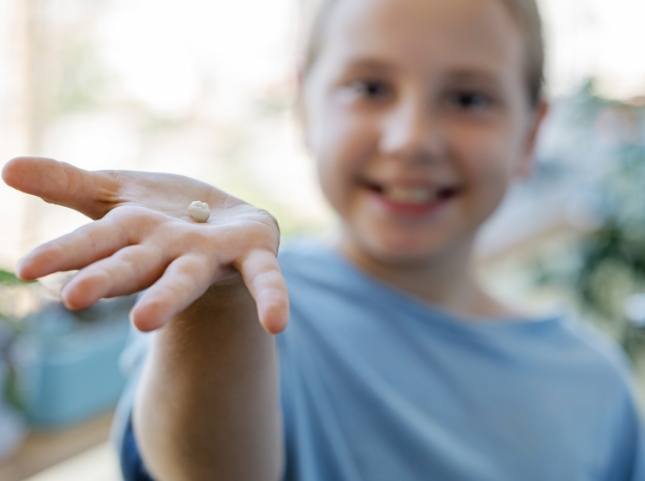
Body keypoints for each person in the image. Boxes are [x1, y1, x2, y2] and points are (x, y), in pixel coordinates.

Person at [3, 0, 645, 479]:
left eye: (469, 98)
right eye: (369, 88)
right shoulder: (251, 306)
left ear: (531, 135)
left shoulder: (595, 385)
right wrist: (223, 305)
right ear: (305, 106)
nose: (411, 139)